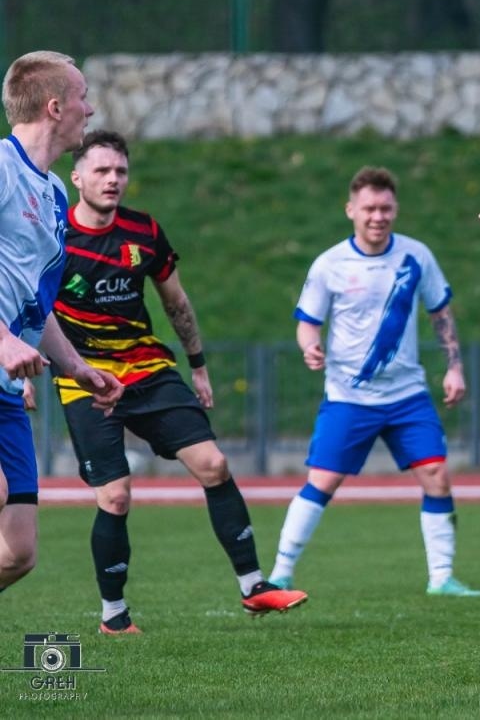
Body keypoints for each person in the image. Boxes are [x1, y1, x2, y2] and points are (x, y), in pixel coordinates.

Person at [43, 129, 307, 631]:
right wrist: (19, 370)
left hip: (148, 368)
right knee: (115, 495)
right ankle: (113, 616)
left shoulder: (144, 232)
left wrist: (198, 364)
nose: (113, 179)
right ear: (76, 178)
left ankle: (254, 587)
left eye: (120, 171)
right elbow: (27, 303)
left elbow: (176, 303)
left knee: (214, 464)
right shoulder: (54, 237)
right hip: (86, 377)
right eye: (101, 170)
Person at [269, 166, 480, 597]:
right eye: (369, 208)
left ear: (395, 209)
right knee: (322, 482)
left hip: (407, 396)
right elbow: (308, 322)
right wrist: (309, 346)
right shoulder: (329, 264)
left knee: (437, 476)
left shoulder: (416, 256)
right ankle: (280, 573)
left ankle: (441, 578)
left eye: (385, 208)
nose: (377, 216)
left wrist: (454, 366)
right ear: (351, 210)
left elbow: (440, 313)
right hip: (348, 396)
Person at [0, 51, 122, 598]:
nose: (89, 110)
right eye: (82, 98)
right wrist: (3, 342)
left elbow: (36, 300)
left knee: (16, 553)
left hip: (5, 388)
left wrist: (75, 366)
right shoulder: (2, 168)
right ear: (54, 107)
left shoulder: (53, 193)